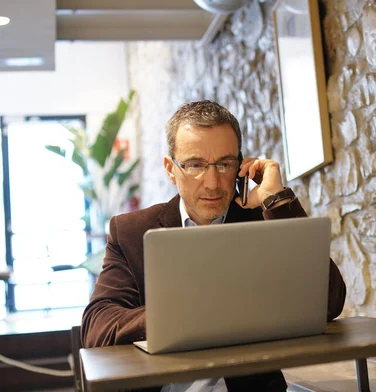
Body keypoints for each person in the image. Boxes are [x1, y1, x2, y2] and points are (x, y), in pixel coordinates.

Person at [81, 100, 347, 392]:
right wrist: (180, 316)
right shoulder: (131, 231)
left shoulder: (263, 220)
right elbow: (97, 326)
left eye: (224, 164)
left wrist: (277, 199)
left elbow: (329, 302)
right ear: (171, 169)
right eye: (195, 165)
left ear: (241, 165)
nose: (212, 182)